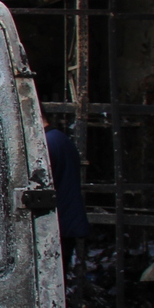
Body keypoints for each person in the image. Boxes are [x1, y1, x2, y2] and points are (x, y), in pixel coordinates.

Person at [44, 110, 90, 282]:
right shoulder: (59, 140)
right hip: (63, 223)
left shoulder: (48, 143)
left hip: (56, 224)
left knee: (50, 284)